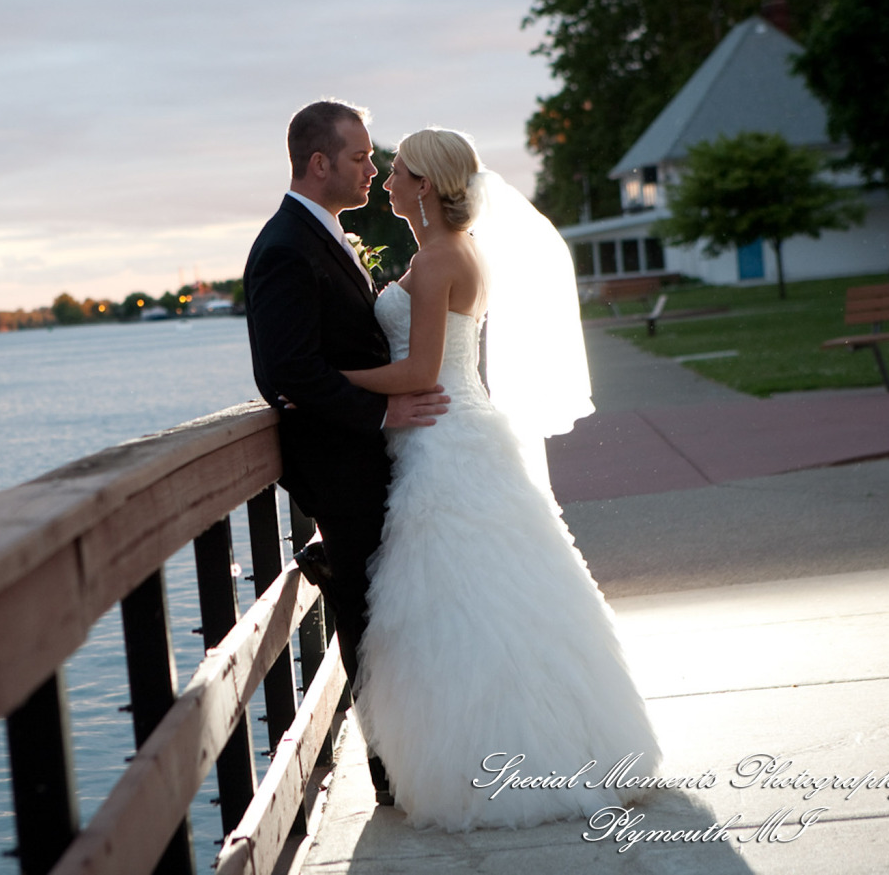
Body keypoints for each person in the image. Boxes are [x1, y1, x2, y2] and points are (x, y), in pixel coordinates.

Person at [340, 127, 662, 831]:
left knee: (460, 603)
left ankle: (497, 762)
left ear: (424, 185)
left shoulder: (435, 262)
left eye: (398, 172)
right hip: (461, 429)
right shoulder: (458, 253)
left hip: (442, 439)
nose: (387, 180)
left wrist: (328, 380)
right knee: (499, 598)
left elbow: (420, 373)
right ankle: (554, 744)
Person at [242, 101, 448, 799]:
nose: (373, 168)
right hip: (338, 463)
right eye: (359, 157)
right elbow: (286, 373)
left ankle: (416, 756)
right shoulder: (282, 248)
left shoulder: (324, 233)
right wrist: (382, 410)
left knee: (389, 607)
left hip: (363, 458)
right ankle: (393, 776)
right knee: (366, 612)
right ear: (318, 162)